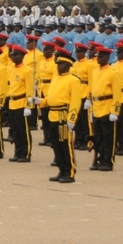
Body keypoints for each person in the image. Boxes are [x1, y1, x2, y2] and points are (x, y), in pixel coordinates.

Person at [46, 50, 81, 183]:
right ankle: (61, 170)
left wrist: (71, 119)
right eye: (57, 63)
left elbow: (75, 101)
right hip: (53, 114)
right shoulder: (56, 78)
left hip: (63, 115)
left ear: (67, 65)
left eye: (60, 64)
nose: (57, 66)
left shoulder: (73, 80)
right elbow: (52, 98)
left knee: (65, 145)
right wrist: (41, 101)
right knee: (56, 145)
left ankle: (69, 172)